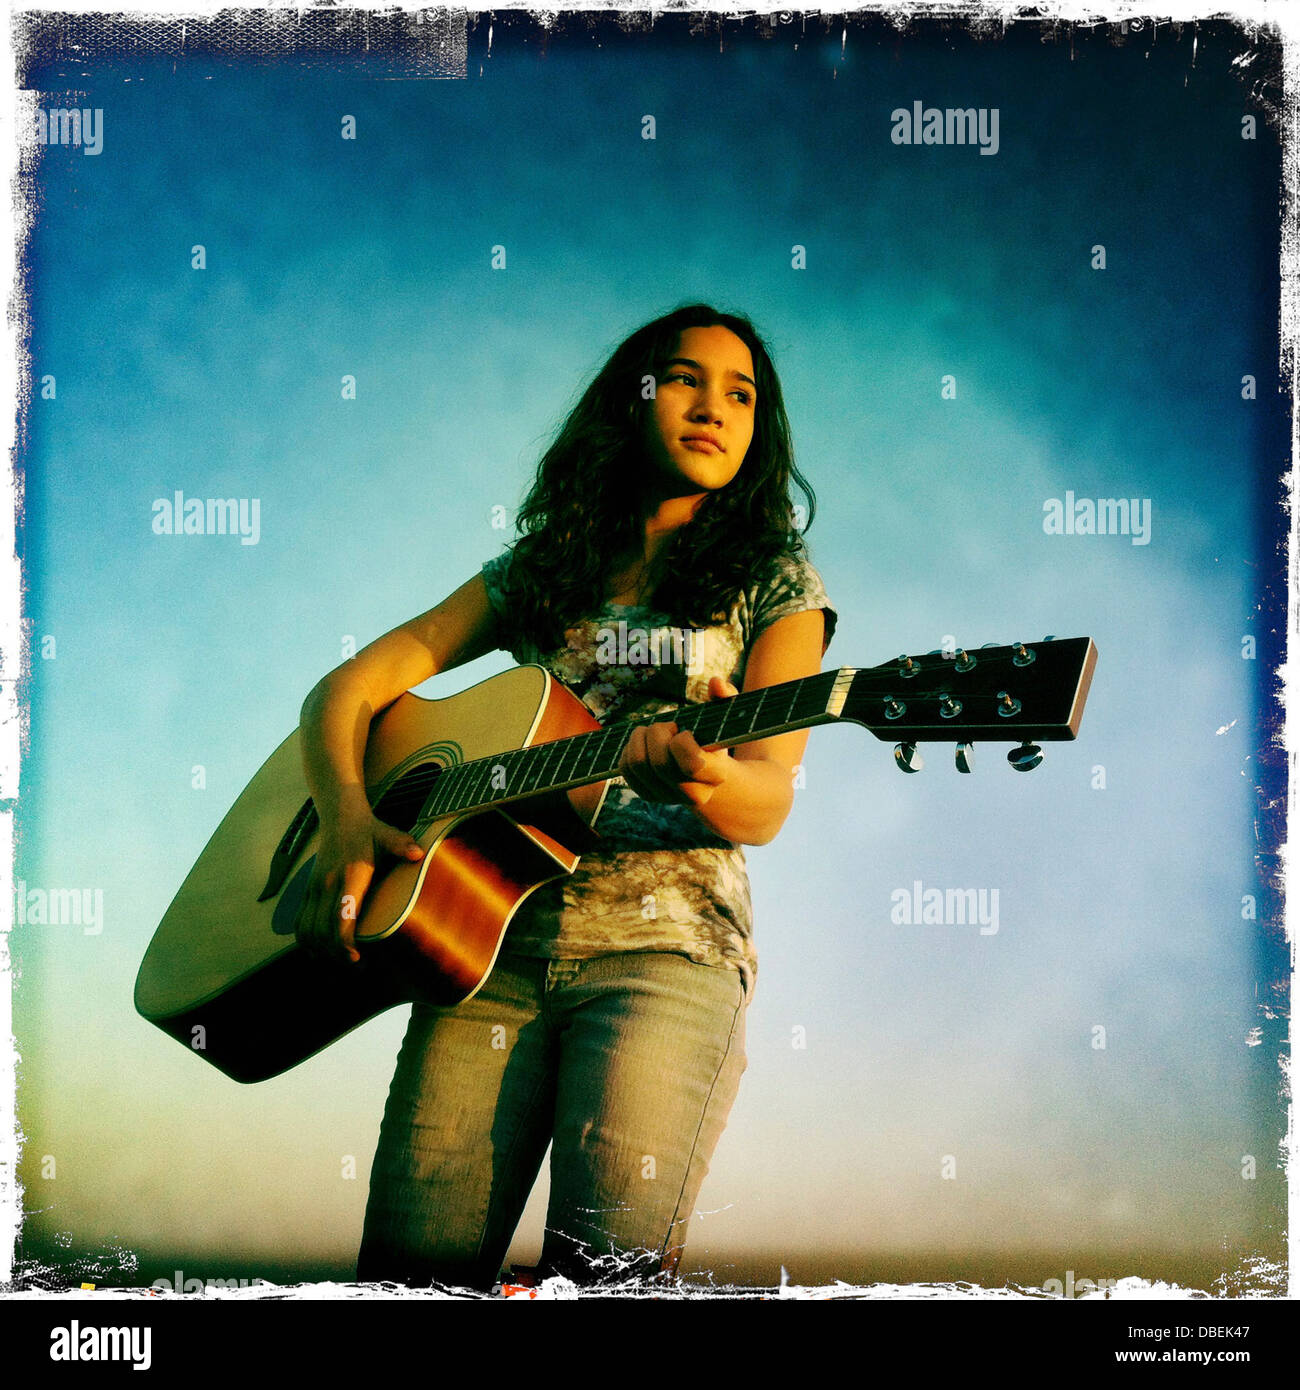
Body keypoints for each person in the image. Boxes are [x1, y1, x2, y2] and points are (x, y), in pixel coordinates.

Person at [295, 302, 837, 1292]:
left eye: (742, 392)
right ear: (629, 399)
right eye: (684, 378)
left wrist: (708, 772)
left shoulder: (775, 581)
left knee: (605, 1281)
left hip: (664, 961)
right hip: (483, 957)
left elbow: (768, 801)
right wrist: (343, 813)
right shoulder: (541, 573)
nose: (715, 406)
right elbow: (348, 690)